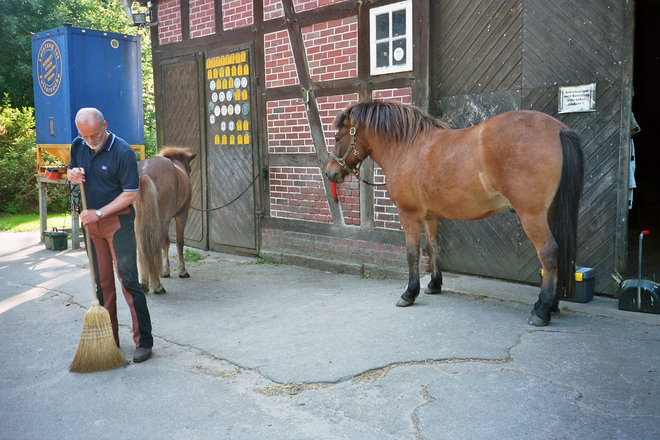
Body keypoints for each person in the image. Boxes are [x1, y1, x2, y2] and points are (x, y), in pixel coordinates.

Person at [67, 107, 153, 363]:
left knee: (128, 281)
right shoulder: (78, 145)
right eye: (86, 137)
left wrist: (100, 214)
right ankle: (109, 339)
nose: (91, 141)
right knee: (102, 284)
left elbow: (130, 194)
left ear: (105, 124)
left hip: (118, 223)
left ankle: (144, 342)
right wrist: (71, 174)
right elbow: (71, 172)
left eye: (95, 135)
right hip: (92, 226)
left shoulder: (123, 152)